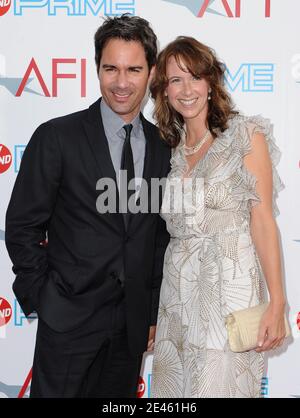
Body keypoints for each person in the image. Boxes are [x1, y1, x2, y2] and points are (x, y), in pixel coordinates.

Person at [5, 15, 171, 398]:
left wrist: (149, 313)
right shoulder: (57, 137)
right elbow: (22, 225)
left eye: (133, 69)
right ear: (96, 68)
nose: (121, 82)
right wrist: (45, 299)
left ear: (151, 73)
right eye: (110, 68)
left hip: (129, 329)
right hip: (67, 320)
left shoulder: (164, 146)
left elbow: (158, 237)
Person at [150, 36, 287, 398]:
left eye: (194, 76)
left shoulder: (244, 136)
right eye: (175, 80)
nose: (186, 89)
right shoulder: (173, 152)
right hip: (176, 298)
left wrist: (277, 302)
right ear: (164, 92)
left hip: (227, 295)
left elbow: (262, 221)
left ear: (211, 83)